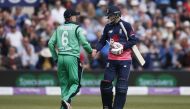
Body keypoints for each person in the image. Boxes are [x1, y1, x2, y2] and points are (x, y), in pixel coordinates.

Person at [48, 9, 96, 109]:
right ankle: (65, 100)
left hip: (60, 58)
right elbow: (84, 42)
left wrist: (55, 57)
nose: (76, 17)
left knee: (64, 86)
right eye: (75, 16)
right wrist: (91, 51)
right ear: (70, 17)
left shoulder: (59, 28)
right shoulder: (76, 28)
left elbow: (50, 43)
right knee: (75, 84)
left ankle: (64, 107)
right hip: (72, 57)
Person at [94, 6, 139, 109]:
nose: (109, 17)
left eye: (110, 15)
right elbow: (102, 41)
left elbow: (133, 40)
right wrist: (96, 50)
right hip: (111, 60)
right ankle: (107, 107)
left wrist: (123, 46)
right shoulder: (107, 27)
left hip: (125, 60)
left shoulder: (126, 25)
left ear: (117, 15)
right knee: (106, 84)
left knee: (121, 87)